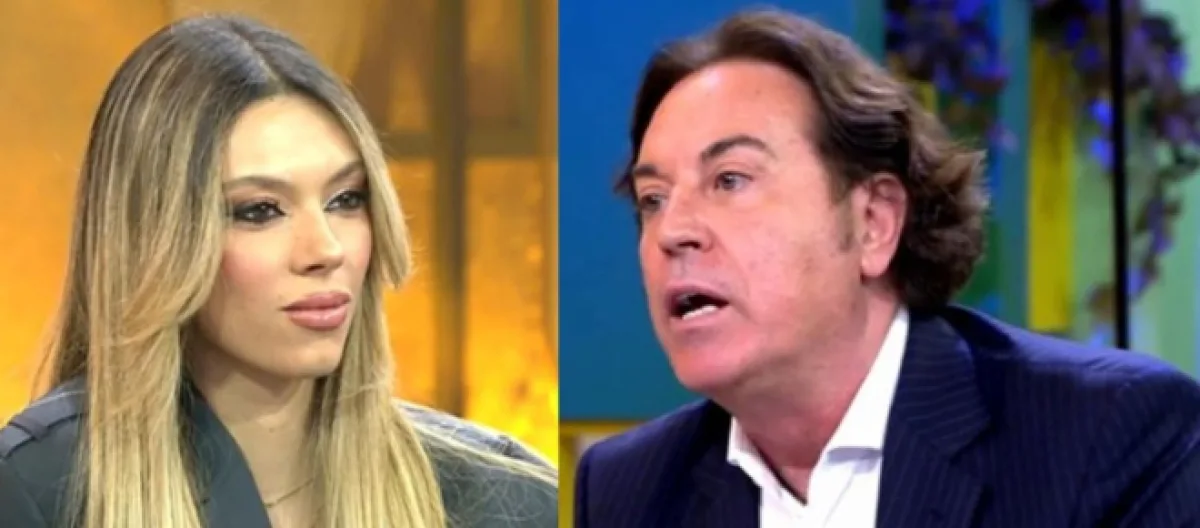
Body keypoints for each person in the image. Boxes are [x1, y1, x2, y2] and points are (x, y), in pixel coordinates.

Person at [573, 8, 1200, 528]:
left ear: (873, 221)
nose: (672, 231)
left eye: (730, 180)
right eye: (652, 200)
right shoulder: (627, 490)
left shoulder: (1107, 435)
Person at [0, 14, 556, 528]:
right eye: (260, 210)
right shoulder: (40, 490)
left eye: (345, 199)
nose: (326, 249)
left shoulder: (505, 502)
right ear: (155, 239)